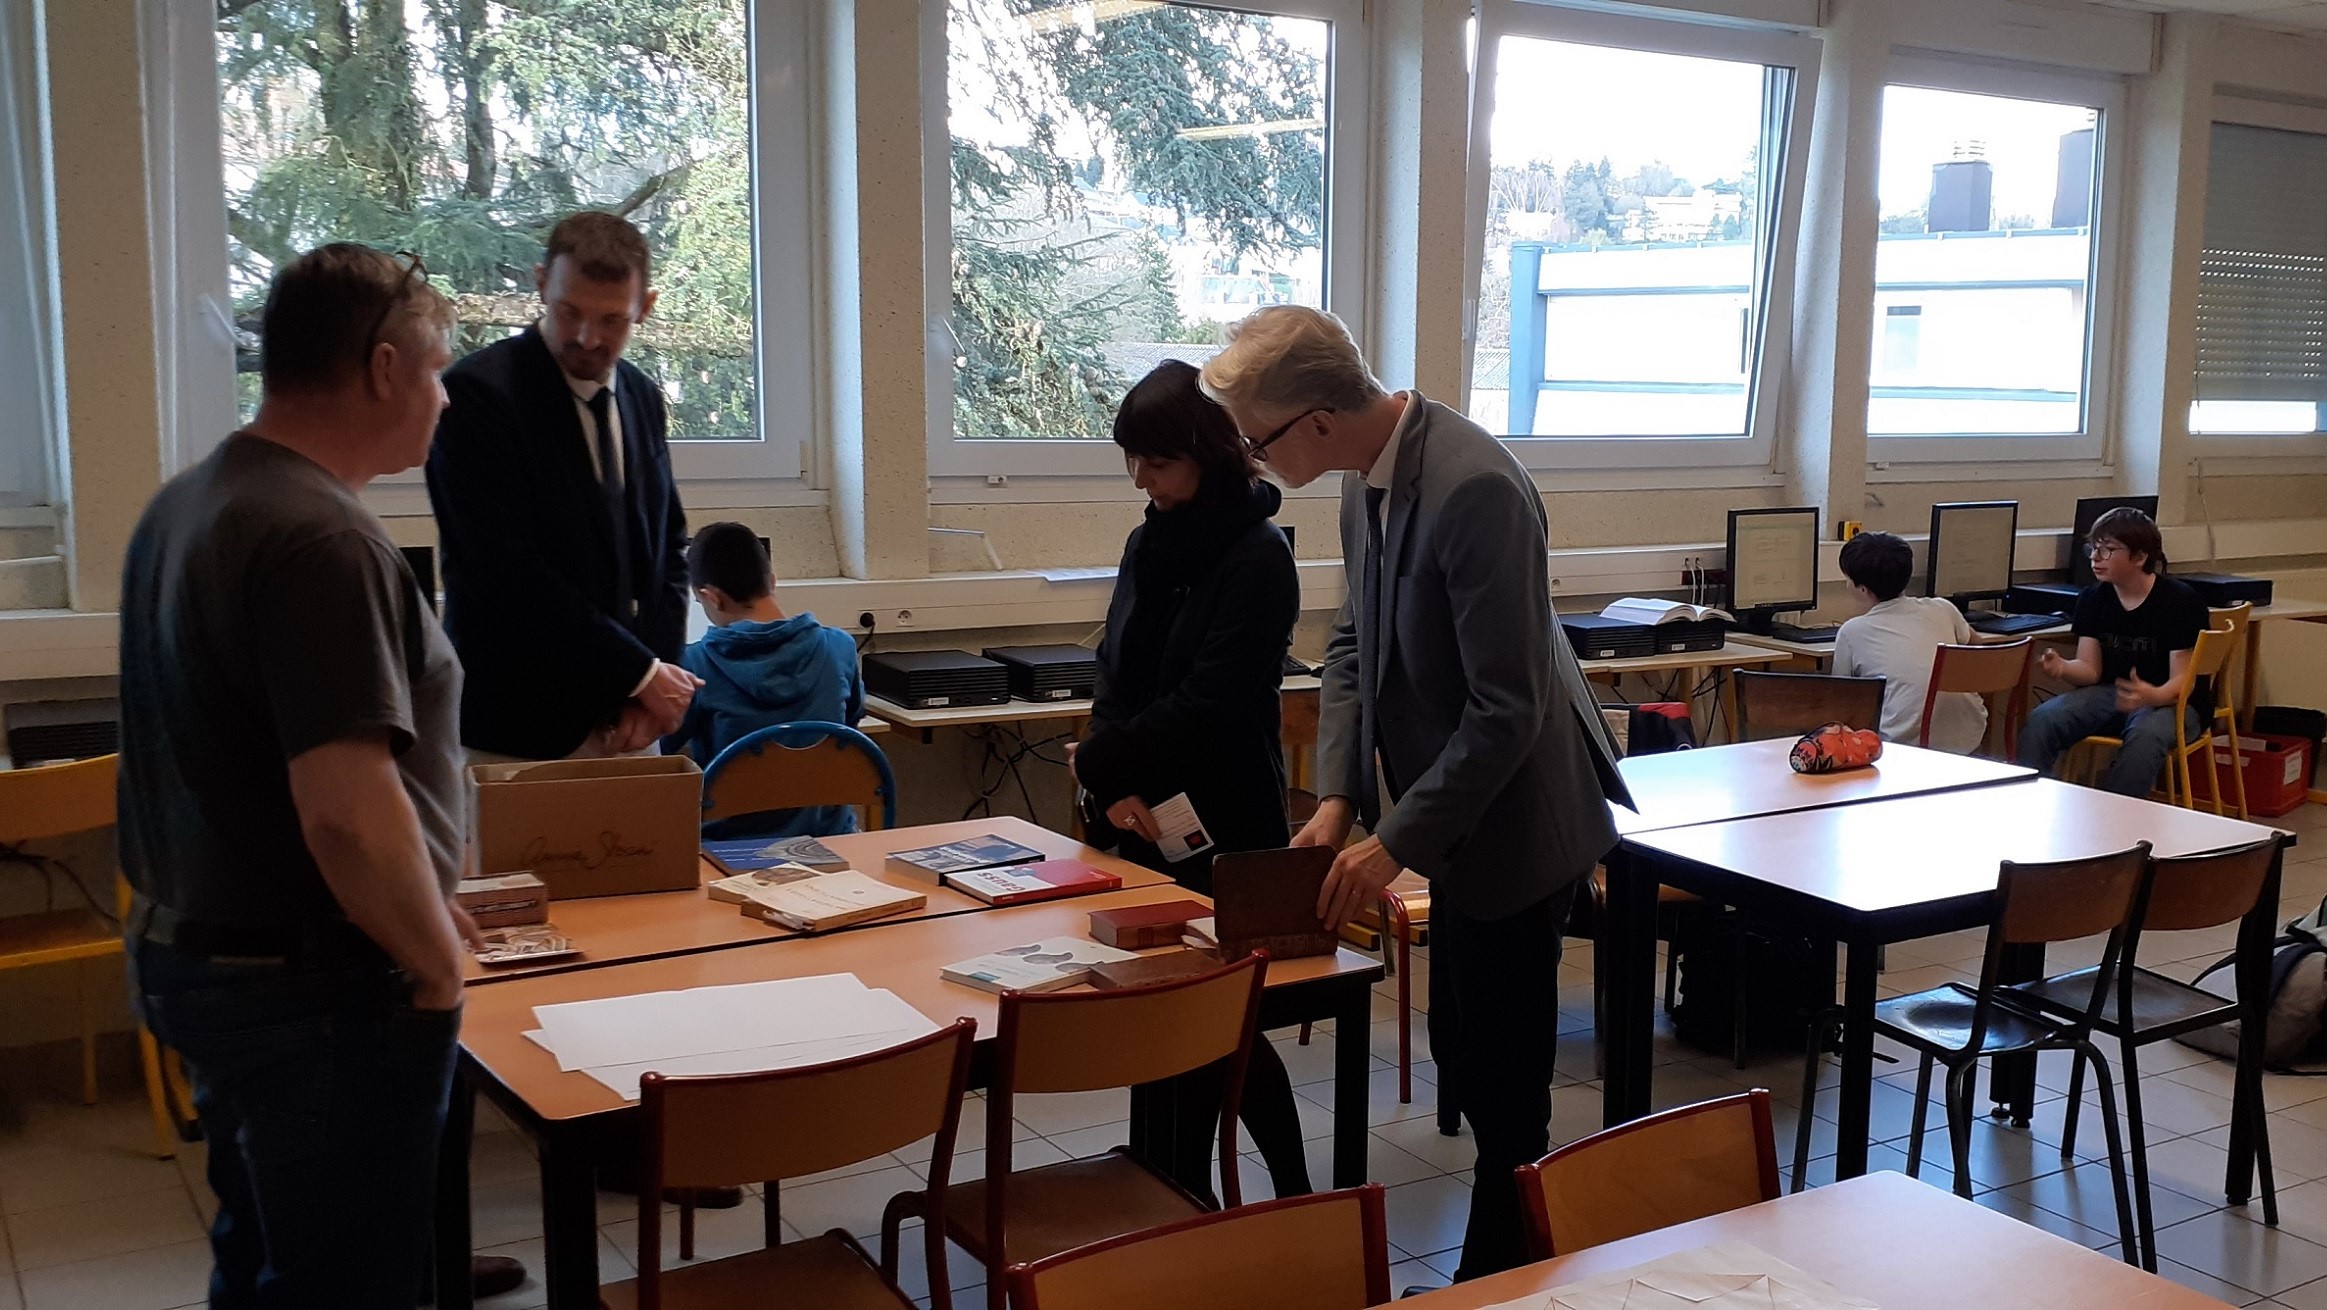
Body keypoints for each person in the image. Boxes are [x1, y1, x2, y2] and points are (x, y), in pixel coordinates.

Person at [117, 244, 515, 1305]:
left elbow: (237, 761)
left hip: (204, 956)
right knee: (349, 1284)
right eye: (437, 370)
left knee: (263, 1262)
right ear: (384, 368)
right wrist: (431, 961)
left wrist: (414, 894)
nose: (444, 397)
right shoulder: (321, 538)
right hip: (311, 993)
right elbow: (343, 809)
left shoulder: (190, 502)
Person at [1198, 306, 1629, 1282]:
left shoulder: (1475, 487)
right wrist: (1338, 794)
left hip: (1520, 822)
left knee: (1504, 1089)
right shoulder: (1365, 479)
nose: (1252, 460)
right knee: (1465, 1053)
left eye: (1257, 439)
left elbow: (1506, 710)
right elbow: (1353, 643)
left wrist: (1392, 841)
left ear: (1316, 419)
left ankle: (1498, 1281)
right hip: (1453, 813)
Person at [1073, 360, 1311, 1204]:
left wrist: (1106, 764)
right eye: (1131, 459)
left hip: (1226, 814)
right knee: (1160, 1011)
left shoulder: (1258, 555)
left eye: (1158, 461)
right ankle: (1173, 1183)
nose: (1141, 478)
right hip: (1141, 812)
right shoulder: (1149, 540)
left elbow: (1213, 700)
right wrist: (1112, 786)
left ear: (1208, 454)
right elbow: (1117, 668)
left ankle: (1278, 1191)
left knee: (1221, 1020)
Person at [427, 210, 700, 764]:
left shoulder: (642, 397)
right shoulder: (477, 395)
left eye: (612, 320)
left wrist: (656, 687)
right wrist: (641, 673)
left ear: (645, 308)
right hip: (517, 730)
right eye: (568, 311)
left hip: (631, 723)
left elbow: (667, 549)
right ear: (540, 284)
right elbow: (503, 573)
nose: (586, 337)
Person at [667, 520, 866, 837]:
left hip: (731, 852)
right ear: (772, 580)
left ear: (712, 597)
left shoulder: (695, 665)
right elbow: (848, 730)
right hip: (829, 845)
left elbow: (659, 751)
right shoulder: (839, 647)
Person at [2018, 507, 2211, 795]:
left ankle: (2118, 817)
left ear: (2140, 557)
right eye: (2093, 548)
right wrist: (2063, 667)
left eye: (2107, 549)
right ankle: (2031, 801)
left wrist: (2151, 695)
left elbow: (2183, 682)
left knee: (2145, 737)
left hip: (2174, 703)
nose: (2095, 557)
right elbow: (2090, 669)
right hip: (2112, 694)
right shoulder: (2093, 598)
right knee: (2043, 719)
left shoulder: (2179, 601)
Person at [1830, 530, 1987, 753]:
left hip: (1904, 749)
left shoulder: (1852, 632)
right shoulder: (1943, 608)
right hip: (1969, 738)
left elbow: (1842, 702)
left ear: (1862, 589)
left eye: (1848, 580)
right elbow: (1979, 649)